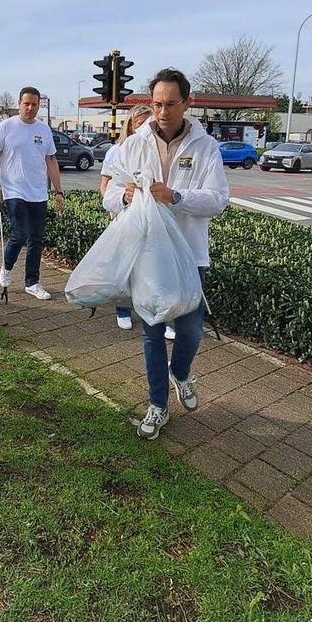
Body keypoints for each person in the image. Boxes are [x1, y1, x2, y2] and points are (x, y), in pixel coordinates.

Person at [101, 68, 229, 441]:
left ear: (187, 104)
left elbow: (219, 200)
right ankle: (157, 405)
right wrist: (123, 196)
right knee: (152, 332)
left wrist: (175, 196)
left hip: (189, 256)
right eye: (156, 104)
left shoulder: (205, 147)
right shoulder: (133, 144)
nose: (162, 112)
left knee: (190, 330)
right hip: (148, 255)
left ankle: (182, 373)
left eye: (171, 104)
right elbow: (109, 192)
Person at [0, 87, 65, 300]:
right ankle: (7, 268)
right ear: (19, 103)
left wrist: (59, 191)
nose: (30, 108)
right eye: (26, 103)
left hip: (38, 193)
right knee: (19, 234)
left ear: (39, 105)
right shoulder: (6, 127)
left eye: (34, 104)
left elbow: (51, 160)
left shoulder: (44, 130)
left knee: (36, 239)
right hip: (14, 191)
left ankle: (32, 282)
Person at [98, 103, 153, 331]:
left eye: (148, 125)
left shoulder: (153, 150)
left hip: (147, 219)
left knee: (146, 265)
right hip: (124, 216)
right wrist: (118, 205)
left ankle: (148, 307)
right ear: (130, 126)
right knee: (125, 266)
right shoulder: (116, 151)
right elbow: (105, 185)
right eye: (138, 125)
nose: (143, 131)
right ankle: (123, 309)